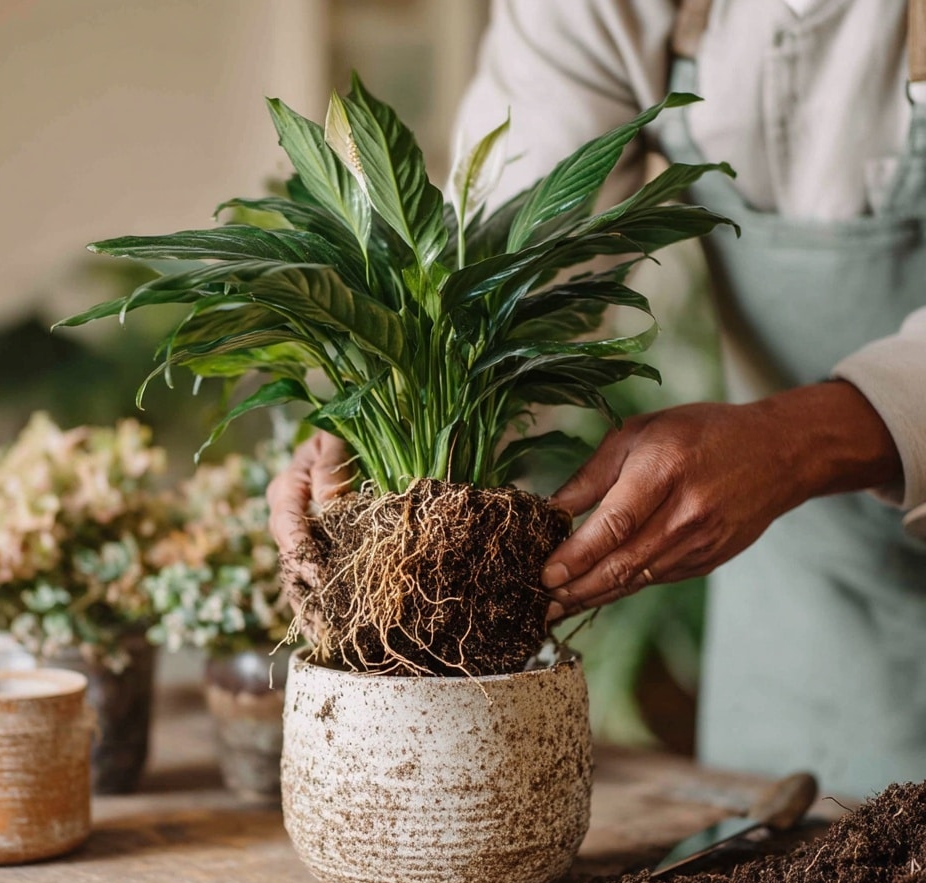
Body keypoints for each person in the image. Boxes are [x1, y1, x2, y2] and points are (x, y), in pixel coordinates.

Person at [268, 0, 926, 798]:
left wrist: (799, 441)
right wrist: (373, 437)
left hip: (779, 493)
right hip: (809, 614)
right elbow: (513, 253)